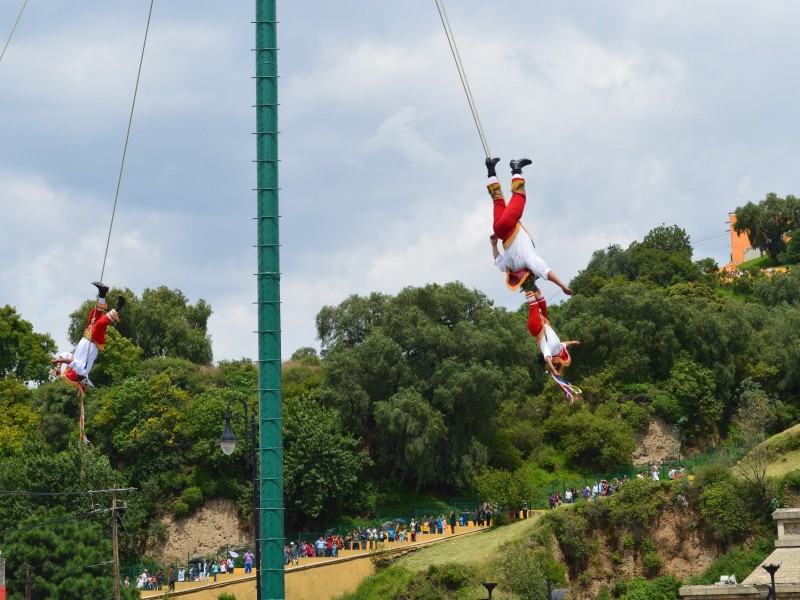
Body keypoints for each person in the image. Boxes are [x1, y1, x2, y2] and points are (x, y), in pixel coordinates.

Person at [53, 282, 125, 396]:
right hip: (95, 340)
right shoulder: (82, 371)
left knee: (94, 315)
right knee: (100, 324)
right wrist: (59, 362)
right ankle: (118, 307)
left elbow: (64, 355)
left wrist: (58, 367)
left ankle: (102, 293)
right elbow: (70, 362)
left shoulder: (77, 364)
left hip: (87, 336)